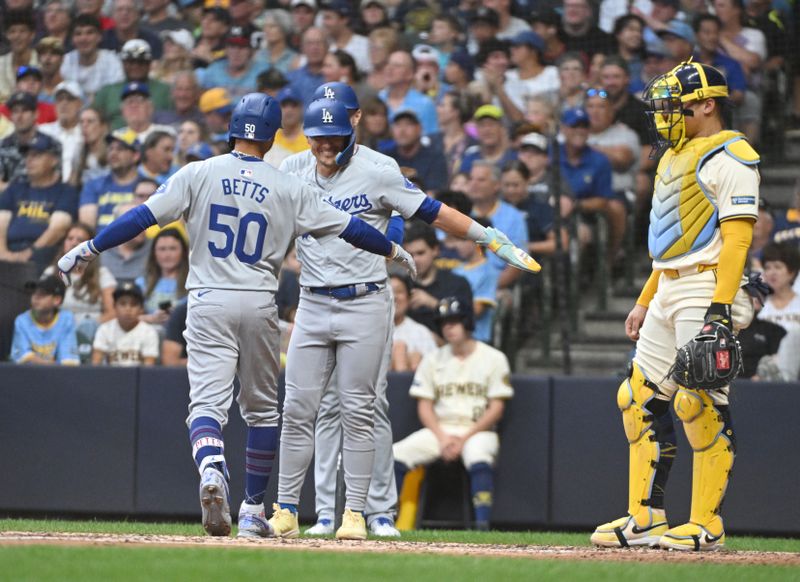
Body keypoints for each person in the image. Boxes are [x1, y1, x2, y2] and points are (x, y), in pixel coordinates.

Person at [57, 92, 419, 539]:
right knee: (264, 413)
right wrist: (392, 248)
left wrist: (91, 247)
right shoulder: (288, 183)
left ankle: (212, 467)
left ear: (231, 128)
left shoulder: (198, 172)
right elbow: (351, 227)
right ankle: (251, 508)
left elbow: (142, 217)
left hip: (207, 298)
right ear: (271, 138)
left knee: (206, 406)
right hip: (260, 300)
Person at [267, 96, 539, 541]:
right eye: (319, 138)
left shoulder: (378, 168)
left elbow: (429, 211)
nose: (326, 147)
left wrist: (486, 236)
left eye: (335, 137)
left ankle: (356, 512)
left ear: (353, 127)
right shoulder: (294, 168)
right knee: (297, 408)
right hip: (313, 300)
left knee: (359, 409)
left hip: (365, 301)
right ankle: (287, 509)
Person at [591, 62, 760, 551]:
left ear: (708, 105)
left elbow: (736, 241)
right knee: (638, 398)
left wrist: (720, 310)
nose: (664, 115)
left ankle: (706, 523)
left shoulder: (731, 155)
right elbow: (670, 247)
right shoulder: (672, 156)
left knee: (699, 402)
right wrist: (644, 301)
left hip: (707, 287)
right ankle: (644, 517)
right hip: (668, 286)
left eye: (676, 106)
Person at [392, 297, 513, 531]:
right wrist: (443, 438)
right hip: (440, 430)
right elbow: (424, 406)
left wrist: (464, 438)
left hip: (477, 430)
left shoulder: (493, 358)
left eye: (455, 320)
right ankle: (384, 518)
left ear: (467, 322)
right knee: (397, 453)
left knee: (478, 453)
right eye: (444, 322)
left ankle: (482, 525)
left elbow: (497, 408)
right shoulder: (433, 358)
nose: (449, 326)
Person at [0, 133, 77, 272]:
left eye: (36, 155)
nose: (29, 160)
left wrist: (29, 253)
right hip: (7, 253)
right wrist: (3, 254)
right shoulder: (15, 188)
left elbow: (57, 230)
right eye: (28, 156)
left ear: (54, 160)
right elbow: (1, 224)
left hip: (44, 256)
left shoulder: (66, 192)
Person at [43, 222, 116, 361]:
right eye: (70, 238)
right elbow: (41, 307)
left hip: (93, 334)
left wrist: (88, 326)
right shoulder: (51, 273)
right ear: (64, 243)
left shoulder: (102, 274)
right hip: (57, 332)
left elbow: (112, 312)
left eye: (80, 240)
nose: (73, 243)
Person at [94, 39, 173, 131]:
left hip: (154, 140)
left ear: (149, 64)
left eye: (141, 62)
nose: (135, 66)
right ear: (123, 63)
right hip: (114, 141)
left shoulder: (165, 90)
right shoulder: (107, 91)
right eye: (131, 62)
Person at [78, 128, 140, 229]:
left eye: (120, 149)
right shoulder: (93, 185)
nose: (113, 153)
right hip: (100, 243)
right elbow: (87, 227)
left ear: (135, 156)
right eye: (111, 148)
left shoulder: (146, 186)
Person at [12, 274, 79, 365]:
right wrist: (50, 364)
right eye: (34, 292)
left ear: (57, 300)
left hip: (59, 377)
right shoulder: (22, 321)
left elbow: (67, 361)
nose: (35, 297)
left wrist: (41, 363)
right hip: (28, 376)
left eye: (42, 294)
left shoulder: (66, 320)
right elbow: (23, 358)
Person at [92, 282, 159, 366]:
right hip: (110, 377)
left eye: (133, 304)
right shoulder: (104, 329)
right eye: (122, 304)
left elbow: (149, 368)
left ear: (141, 309)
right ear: (115, 306)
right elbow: (95, 364)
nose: (128, 309)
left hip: (139, 378)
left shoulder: (149, 332)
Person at [383, 109, 448, 196]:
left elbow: (435, 193)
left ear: (419, 128)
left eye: (408, 124)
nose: (402, 130)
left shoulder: (435, 158)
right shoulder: (385, 157)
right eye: (398, 125)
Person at [135, 227, 188, 330]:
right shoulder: (142, 283)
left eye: (172, 248)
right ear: (154, 253)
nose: (167, 255)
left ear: (183, 252)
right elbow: (129, 318)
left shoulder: (193, 283)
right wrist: (151, 318)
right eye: (162, 249)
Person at [60, 14, 124, 100]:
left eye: (89, 33)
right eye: (78, 34)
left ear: (99, 37)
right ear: (72, 40)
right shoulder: (65, 61)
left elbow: (114, 95)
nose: (83, 38)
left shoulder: (112, 61)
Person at [390, 273, 437, 372]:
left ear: (409, 298)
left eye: (399, 291)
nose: (394, 297)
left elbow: (434, 372)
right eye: (388, 292)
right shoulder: (369, 332)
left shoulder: (421, 333)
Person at [39, 81, 84, 184]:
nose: (64, 103)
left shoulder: (86, 133)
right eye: (60, 99)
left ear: (80, 104)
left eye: (70, 99)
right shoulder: (43, 131)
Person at [757, 243, 800, 333]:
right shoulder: (759, 305)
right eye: (767, 268)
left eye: (778, 267)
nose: (772, 272)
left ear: (791, 272)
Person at [0, 10, 39, 103]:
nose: (17, 36)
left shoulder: (41, 62)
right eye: (12, 31)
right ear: (7, 35)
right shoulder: (0, 63)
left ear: (32, 35)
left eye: (22, 31)